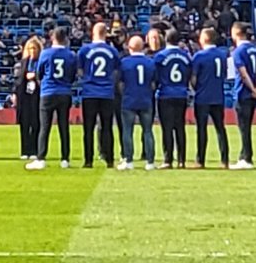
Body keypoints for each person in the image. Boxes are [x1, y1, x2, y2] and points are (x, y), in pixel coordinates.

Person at [26, 27, 77, 171]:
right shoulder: (71, 55)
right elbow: (73, 75)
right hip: (64, 92)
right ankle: (65, 159)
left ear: (52, 38)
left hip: (48, 92)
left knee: (45, 127)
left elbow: (39, 73)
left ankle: (41, 158)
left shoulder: (46, 53)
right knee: (64, 127)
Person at [77, 21, 121, 169]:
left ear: (93, 33)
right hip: (107, 93)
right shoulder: (112, 51)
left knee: (88, 128)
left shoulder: (84, 50)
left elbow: (80, 71)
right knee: (107, 127)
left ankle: (88, 160)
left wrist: (87, 80)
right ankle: (109, 159)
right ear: (105, 34)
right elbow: (116, 71)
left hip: (89, 93)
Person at [191, 27, 230, 169]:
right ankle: (225, 160)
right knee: (220, 128)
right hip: (218, 96)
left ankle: (200, 160)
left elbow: (194, 78)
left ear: (205, 38)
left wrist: (196, 88)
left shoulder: (199, 56)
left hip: (203, 97)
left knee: (202, 129)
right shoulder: (222, 55)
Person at [230, 21, 256, 170]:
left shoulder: (238, 51)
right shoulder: (255, 49)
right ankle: (244, 155)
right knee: (247, 126)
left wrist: (252, 89)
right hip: (253, 95)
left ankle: (246, 158)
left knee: (243, 127)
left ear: (237, 33)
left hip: (243, 93)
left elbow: (243, 73)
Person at [118, 34, 157, 171]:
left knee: (127, 131)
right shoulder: (150, 63)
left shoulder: (124, 63)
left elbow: (120, 84)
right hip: (145, 99)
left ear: (130, 47)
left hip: (129, 99)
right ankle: (150, 162)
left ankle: (128, 160)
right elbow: (153, 84)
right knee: (147, 131)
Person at [153, 28, 191, 169]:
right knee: (180, 127)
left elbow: (155, 76)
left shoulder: (160, 56)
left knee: (167, 128)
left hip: (165, 94)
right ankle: (182, 160)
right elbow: (189, 74)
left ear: (166, 39)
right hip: (181, 94)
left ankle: (168, 160)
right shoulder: (186, 56)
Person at [12, 35, 43, 159]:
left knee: (36, 123)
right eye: (30, 49)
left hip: (37, 95)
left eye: (34, 49)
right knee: (24, 123)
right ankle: (25, 151)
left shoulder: (41, 62)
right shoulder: (24, 62)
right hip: (24, 96)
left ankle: (34, 150)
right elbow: (18, 80)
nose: (32, 51)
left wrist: (34, 77)